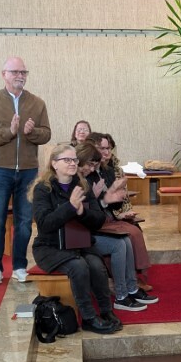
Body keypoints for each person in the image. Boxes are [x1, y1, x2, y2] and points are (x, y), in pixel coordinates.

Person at [30, 143, 125, 334]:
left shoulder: (82, 186)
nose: (73, 163)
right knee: (79, 266)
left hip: (78, 244)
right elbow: (45, 223)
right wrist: (70, 207)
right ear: (54, 163)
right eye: (67, 160)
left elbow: (98, 220)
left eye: (74, 160)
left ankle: (106, 311)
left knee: (96, 265)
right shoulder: (43, 188)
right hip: (50, 248)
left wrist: (82, 212)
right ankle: (89, 318)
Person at [0, 56, 51, 285]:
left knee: (24, 222)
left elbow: (46, 133)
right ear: (4, 75)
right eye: (15, 72)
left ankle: (19, 266)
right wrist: (9, 132)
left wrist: (31, 132)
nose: (20, 76)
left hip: (28, 170)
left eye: (23, 72)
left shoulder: (37, 103)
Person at [76, 145, 159, 312]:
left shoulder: (87, 178)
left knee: (126, 239)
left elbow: (95, 211)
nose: (91, 169)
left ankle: (132, 289)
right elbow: (85, 215)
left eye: (94, 165)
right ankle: (121, 296)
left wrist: (105, 200)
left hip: (91, 227)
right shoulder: (77, 182)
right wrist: (103, 201)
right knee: (119, 244)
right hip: (80, 235)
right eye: (89, 164)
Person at [85, 132, 152, 281]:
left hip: (108, 215)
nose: (106, 152)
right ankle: (123, 279)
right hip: (96, 218)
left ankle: (134, 277)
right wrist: (106, 198)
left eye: (108, 148)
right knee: (128, 235)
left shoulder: (108, 171)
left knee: (135, 230)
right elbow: (90, 204)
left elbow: (116, 204)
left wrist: (118, 196)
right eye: (102, 148)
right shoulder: (86, 172)